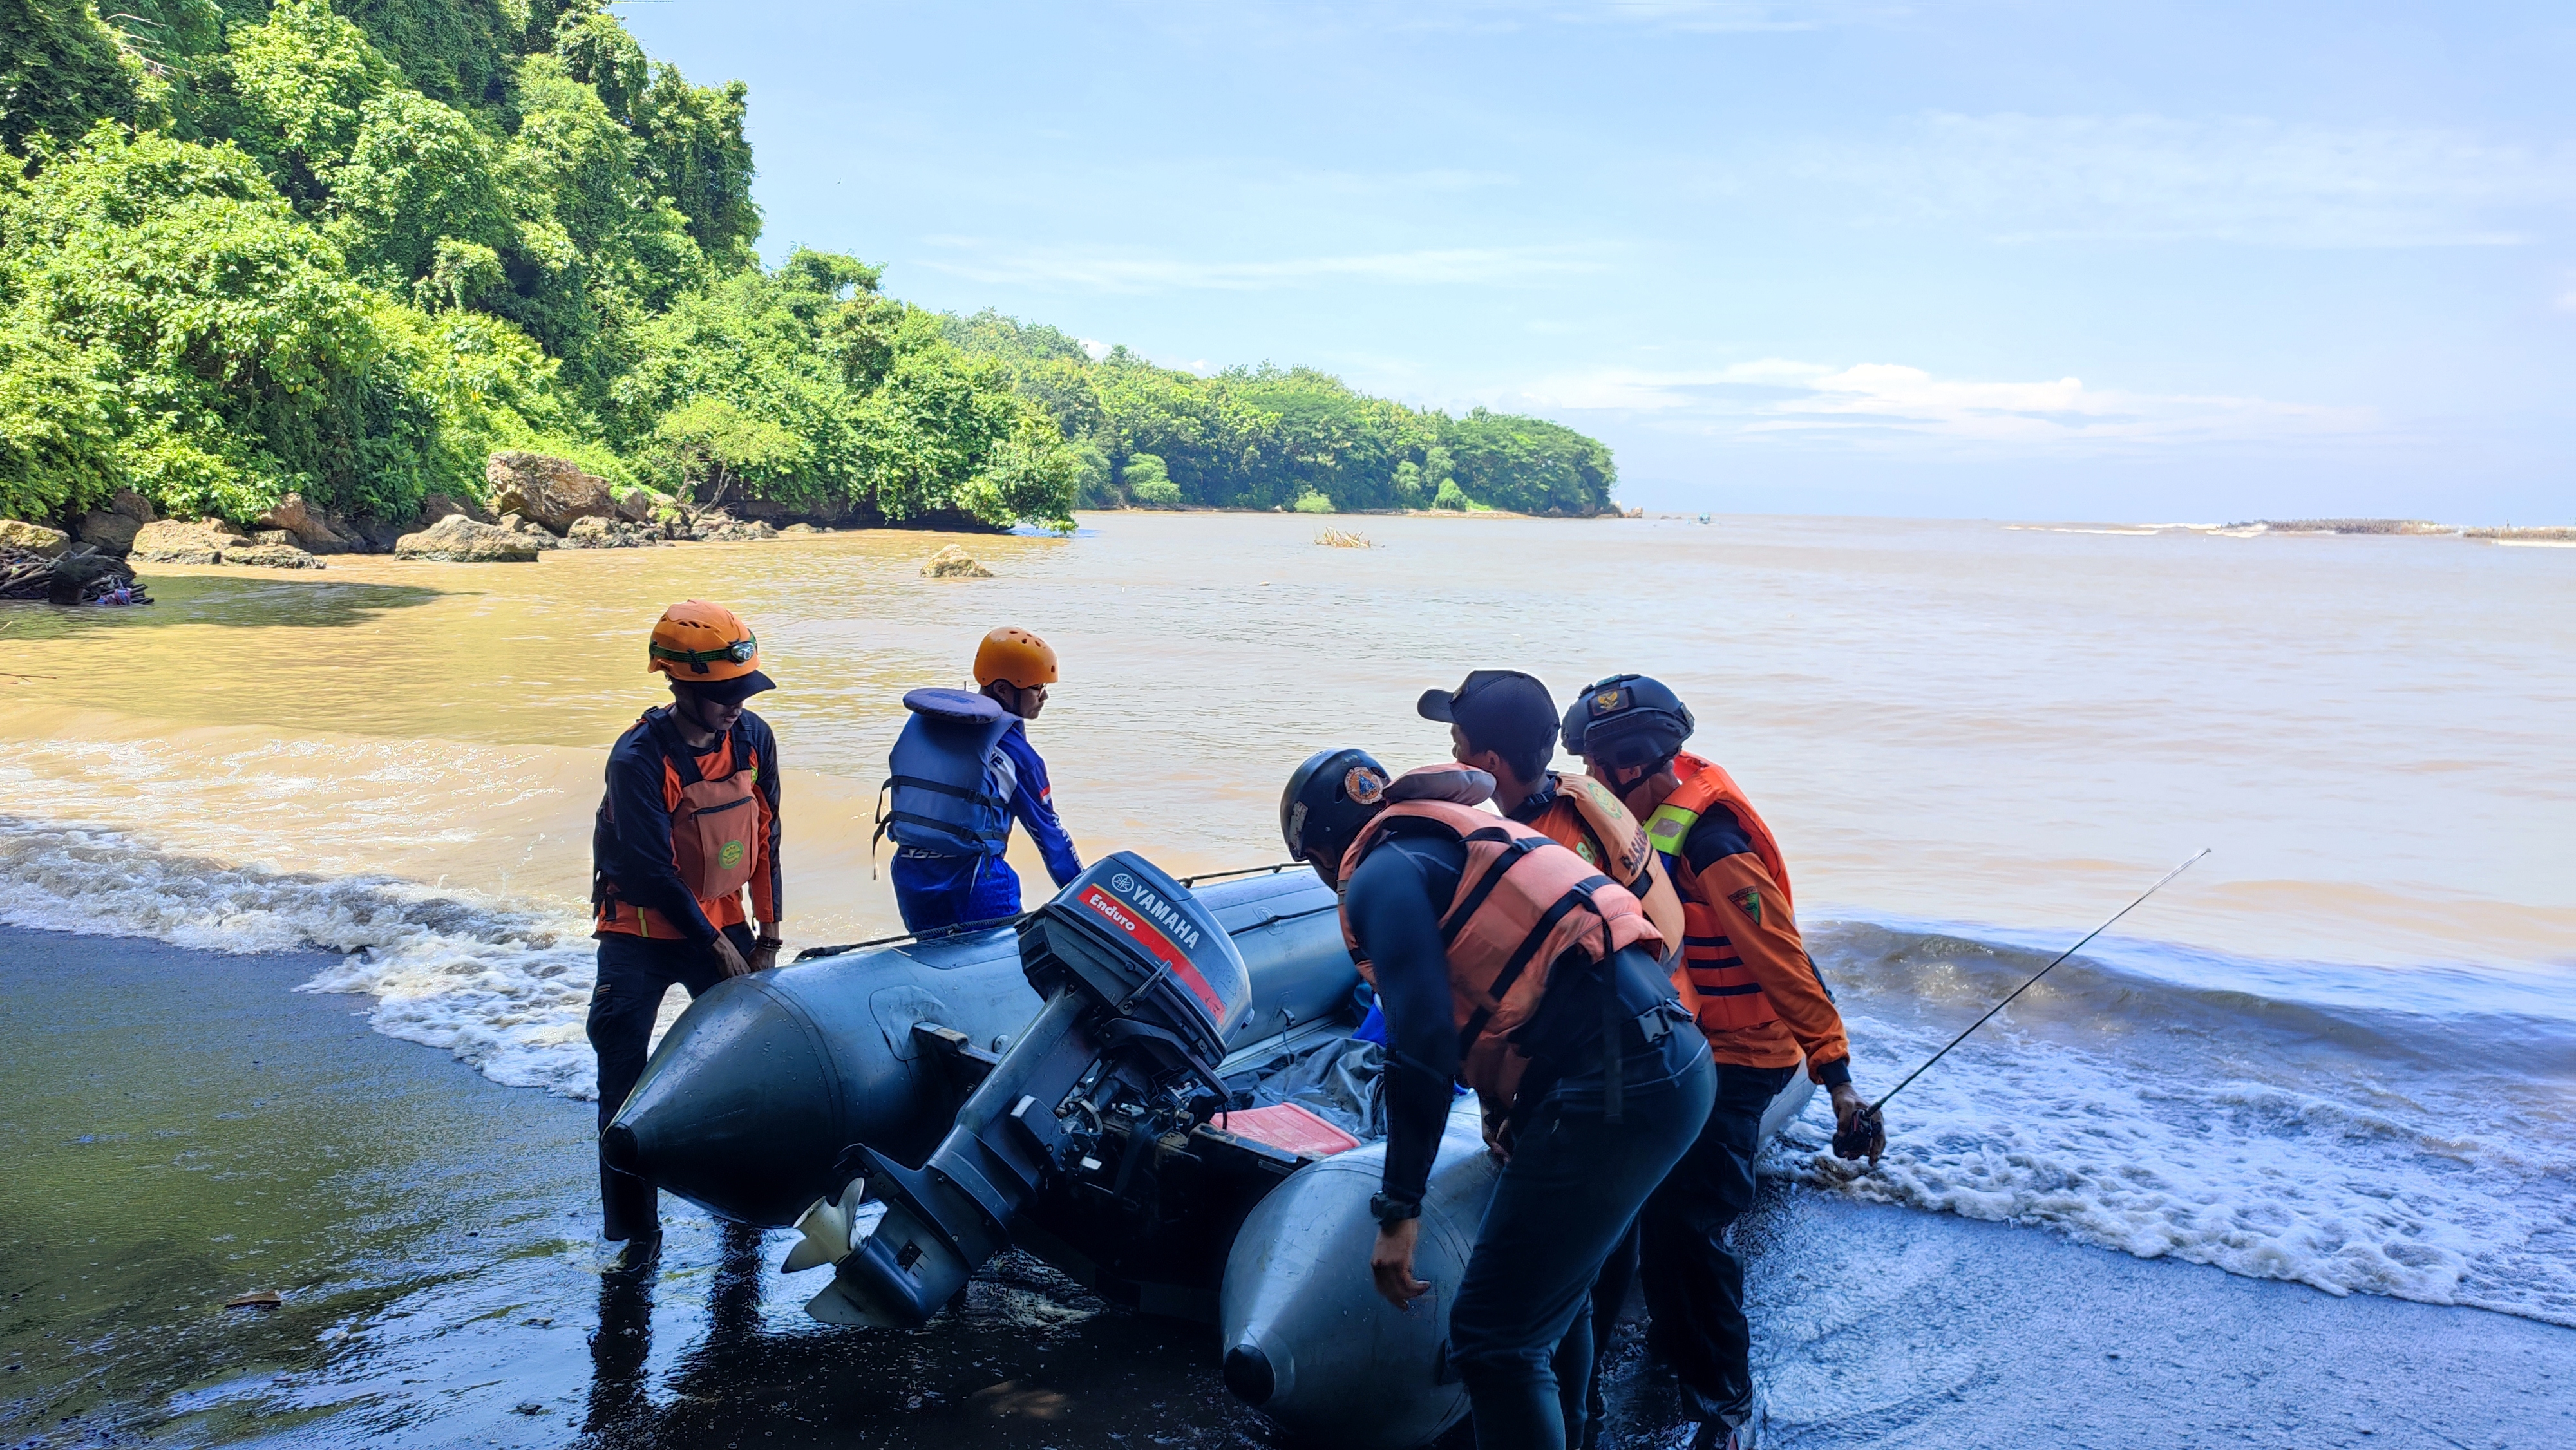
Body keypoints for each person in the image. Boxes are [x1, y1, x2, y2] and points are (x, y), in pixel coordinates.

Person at [1282, 749, 1714, 1450]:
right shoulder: (1456, 835)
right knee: (1552, 1302)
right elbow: (1538, 978)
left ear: (1325, 846)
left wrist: (1398, 1208)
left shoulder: (1378, 874)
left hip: (1618, 1085)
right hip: (1672, 1059)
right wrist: (1509, 1099)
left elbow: (1419, 1036)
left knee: (1492, 1338)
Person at [1565, 673, 1884, 1450]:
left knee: (1687, 1222)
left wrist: (1836, 1078)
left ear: (1633, 767)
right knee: (1638, 1199)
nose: (1595, 787)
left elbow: (1784, 962)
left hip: (1744, 1052)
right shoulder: (1643, 817)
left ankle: (1727, 1401)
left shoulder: (1714, 844)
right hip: (1681, 1034)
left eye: (1600, 770)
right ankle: (1659, 1353)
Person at [589, 601, 785, 1268]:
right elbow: (647, 869)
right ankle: (635, 1234)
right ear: (678, 686)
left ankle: (744, 1206)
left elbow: (767, 838)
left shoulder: (754, 739)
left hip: (724, 923)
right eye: (723, 694)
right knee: (623, 1083)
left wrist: (768, 936)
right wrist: (714, 943)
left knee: (747, 1066)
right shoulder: (638, 757)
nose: (736, 704)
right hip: (638, 933)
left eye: (743, 691)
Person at [1419, 669, 1686, 951]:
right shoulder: (1583, 794)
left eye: (1457, 743)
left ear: (1491, 762)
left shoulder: (1526, 861)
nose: (1453, 755)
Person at [882, 627, 1081, 932]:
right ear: (1003, 690)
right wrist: (1087, 897)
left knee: (940, 964)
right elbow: (1051, 837)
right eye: (1037, 687)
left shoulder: (928, 726)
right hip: (976, 884)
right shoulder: (1019, 756)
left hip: (911, 878)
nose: (1045, 696)